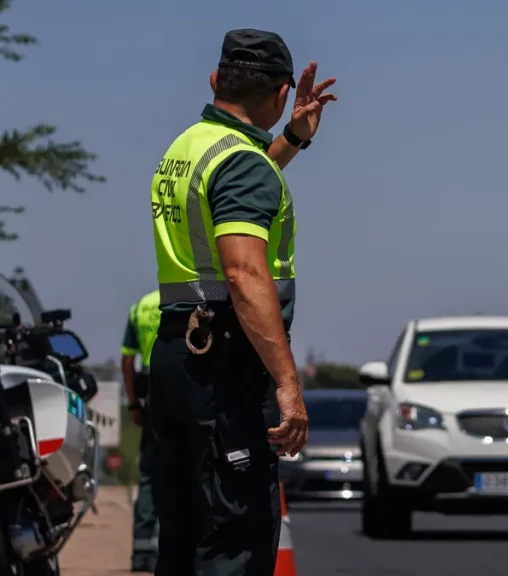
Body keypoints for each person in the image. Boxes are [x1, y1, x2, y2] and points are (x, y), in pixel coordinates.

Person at [147, 29, 335, 575]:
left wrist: (293, 138)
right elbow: (244, 272)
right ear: (281, 95)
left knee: (183, 536)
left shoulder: (190, 146)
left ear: (215, 81)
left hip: (178, 359)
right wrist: (288, 384)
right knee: (235, 539)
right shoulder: (243, 165)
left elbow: (240, 183)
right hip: (226, 367)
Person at [120, 289, 163, 572]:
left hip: (148, 389)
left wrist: (133, 403)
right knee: (180, 471)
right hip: (177, 384)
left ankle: (140, 553)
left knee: (148, 474)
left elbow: (127, 360)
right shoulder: (188, 300)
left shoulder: (140, 306)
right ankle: (167, 549)